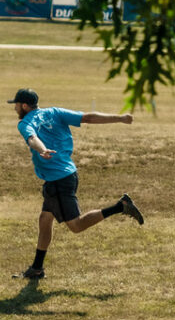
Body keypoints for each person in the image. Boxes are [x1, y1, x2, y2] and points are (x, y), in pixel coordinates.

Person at [9, 88, 144, 279]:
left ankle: (120, 207)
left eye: (15, 105)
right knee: (45, 219)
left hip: (58, 180)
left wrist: (42, 150)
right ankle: (37, 269)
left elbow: (32, 138)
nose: (14, 108)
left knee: (76, 225)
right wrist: (120, 118)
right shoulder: (54, 112)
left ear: (23, 105)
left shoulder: (25, 123)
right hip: (66, 174)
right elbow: (88, 117)